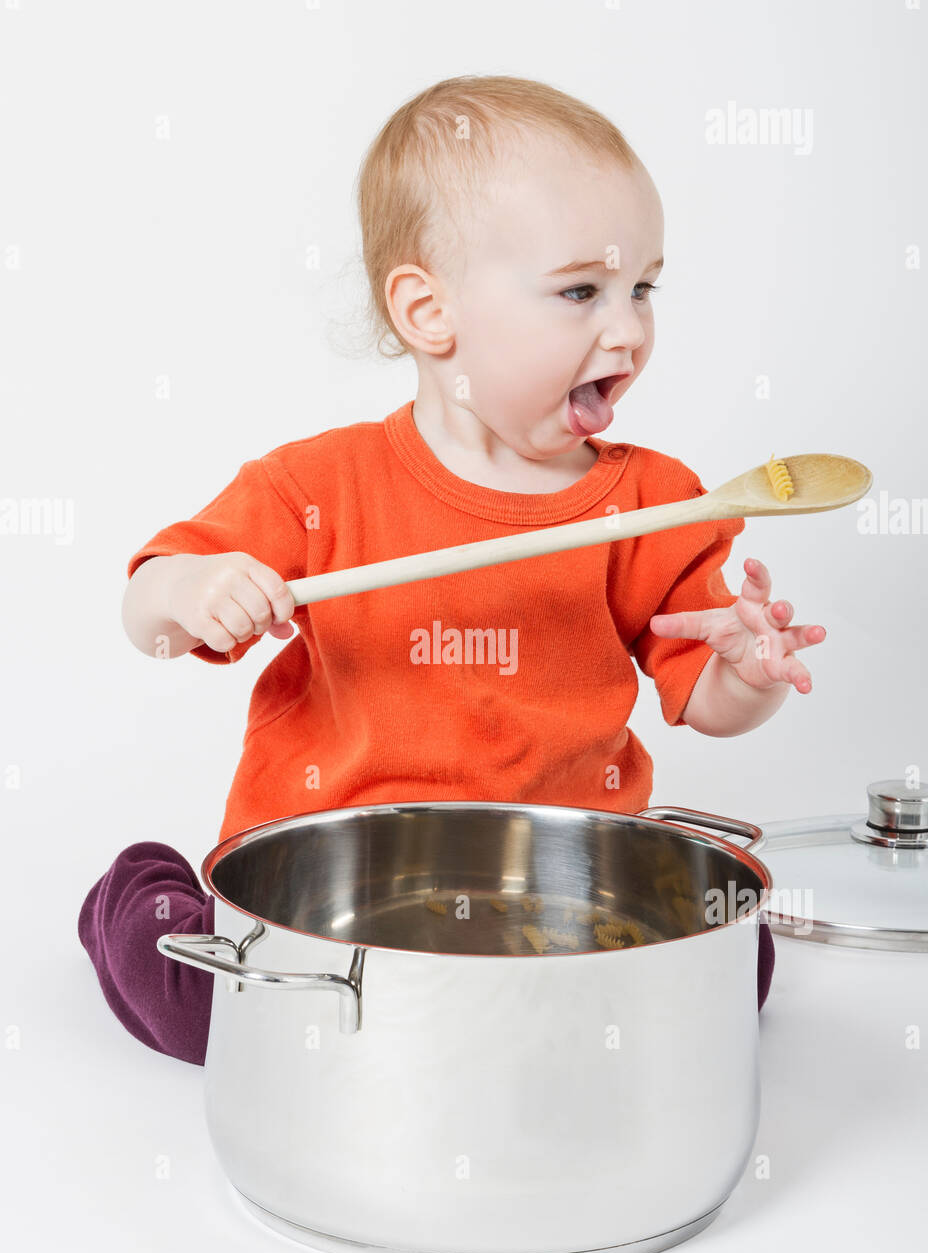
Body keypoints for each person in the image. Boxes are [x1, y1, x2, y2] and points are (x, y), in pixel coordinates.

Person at [80, 76, 825, 1066]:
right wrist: (193, 593)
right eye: (580, 292)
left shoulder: (657, 499)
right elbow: (149, 610)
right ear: (430, 312)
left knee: (743, 970)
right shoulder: (319, 485)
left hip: (556, 899)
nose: (629, 330)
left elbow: (706, 696)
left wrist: (745, 669)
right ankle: (140, 887)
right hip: (336, 912)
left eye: (641, 287)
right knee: (215, 1019)